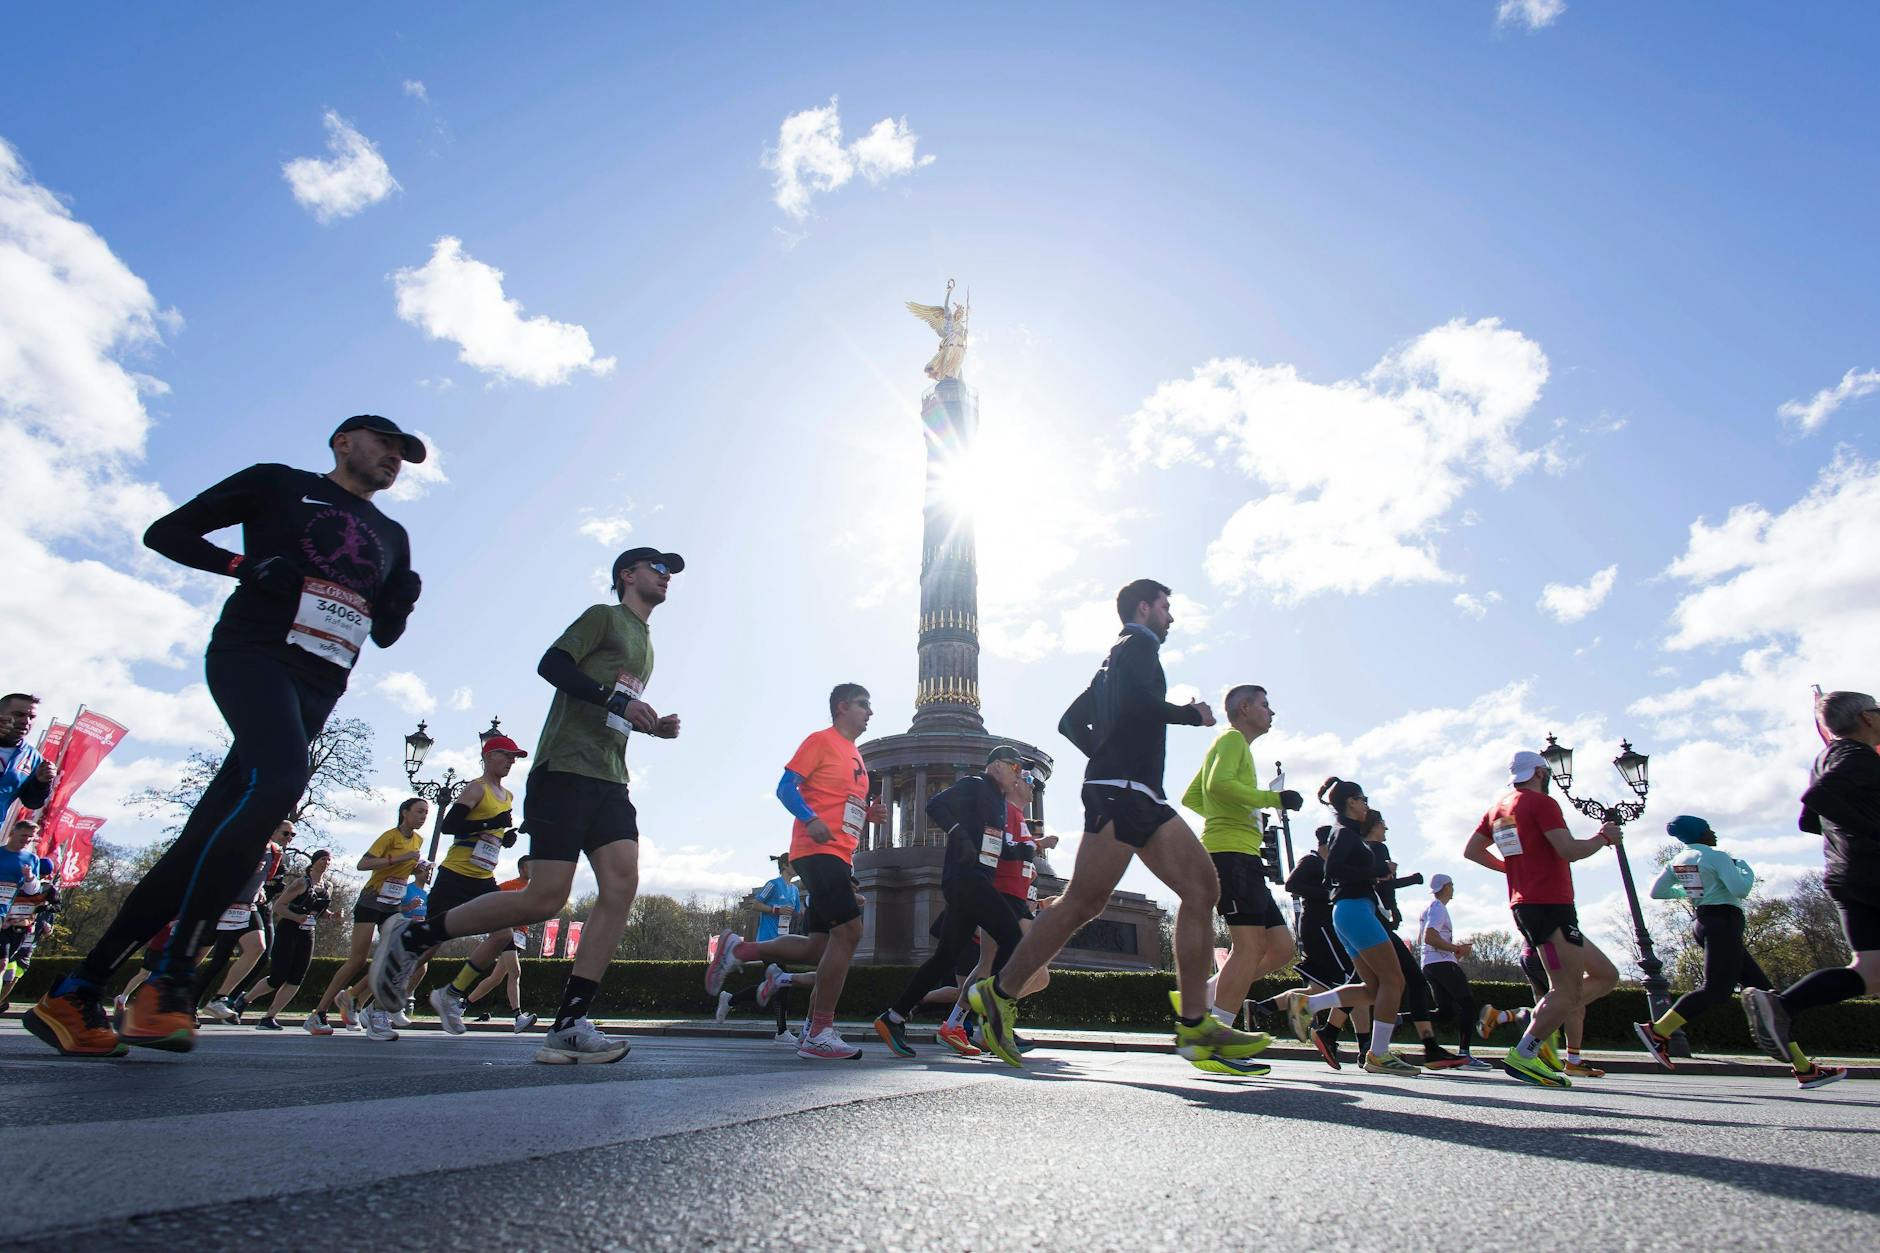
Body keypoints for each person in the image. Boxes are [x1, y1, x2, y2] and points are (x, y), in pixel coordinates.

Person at [27, 416, 423, 1059]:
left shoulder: (392, 535)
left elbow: (382, 635)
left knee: (202, 841)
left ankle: (76, 990)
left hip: (321, 685)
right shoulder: (279, 484)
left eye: (404, 456)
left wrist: (399, 603)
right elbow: (167, 533)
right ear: (343, 442)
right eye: (385, 445)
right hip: (255, 655)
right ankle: (173, 979)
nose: (394, 460)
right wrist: (241, 564)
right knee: (282, 784)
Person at [372, 547, 684, 1065]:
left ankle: (568, 1024)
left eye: (671, 571)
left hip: (610, 777)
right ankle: (415, 935)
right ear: (627, 575)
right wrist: (616, 701)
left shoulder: (647, 643)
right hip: (563, 771)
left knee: (622, 885)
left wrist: (649, 725)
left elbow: (612, 708)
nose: (667, 576)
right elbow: (551, 665)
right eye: (658, 567)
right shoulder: (603, 617)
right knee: (545, 898)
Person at [967, 578, 1271, 1071]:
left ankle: (1196, 1025)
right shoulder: (1139, 646)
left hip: (1134, 791)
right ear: (1144, 607)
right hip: (1124, 792)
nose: (1171, 618)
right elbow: (1136, 708)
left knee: (1191, 891)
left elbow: (1071, 721)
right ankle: (999, 993)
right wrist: (1190, 715)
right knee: (1090, 901)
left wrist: (1106, 758)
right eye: (1166, 608)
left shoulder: (1115, 658)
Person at [705, 683, 885, 1060]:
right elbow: (786, 788)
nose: (870, 712)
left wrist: (867, 816)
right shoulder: (821, 740)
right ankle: (820, 1030)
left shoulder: (856, 756)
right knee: (850, 932)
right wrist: (810, 818)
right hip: (818, 850)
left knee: (822, 945)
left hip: (839, 854)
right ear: (841, 707)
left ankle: (741, 949)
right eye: (862, 705)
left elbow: (843, 806)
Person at [1742, 689, 1880, 1090]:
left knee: (1871, 971)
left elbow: (1808, 819)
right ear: (1867, 718)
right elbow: (1819, 798)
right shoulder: (1857, 757)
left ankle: (1782, 1005)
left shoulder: (1825, 760)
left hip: (1845, 874)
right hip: (1872, 871)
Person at [1463, 749, 1623, 1089]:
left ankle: (1539, 1021)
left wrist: (1512, 868)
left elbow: (1473, 851)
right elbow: (1569, 850)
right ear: (1539, 772)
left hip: (1535, 905)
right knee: (1565, 990)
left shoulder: (1498, 808)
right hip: (1547, 905)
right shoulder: (1542, 803)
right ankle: (1525, 1053)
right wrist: (1604, 837)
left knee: (1606, 975)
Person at [872, 747, 1035, 1058]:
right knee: (1013, 939)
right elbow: (936, 805)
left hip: (977, 880)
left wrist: (1021, 853)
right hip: (966, 877)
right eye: (1014, 767)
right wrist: (959, 835)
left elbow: (992, 844)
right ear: (996, 766)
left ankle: (893, 1018)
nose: (1017, 774)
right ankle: (990, 1015)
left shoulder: (1000, 805)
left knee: (945, 958)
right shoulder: (975, 785)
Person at [1179, 684, 1303, 1046]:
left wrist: (1238, 814)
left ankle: (1204, 997)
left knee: (1281, 949)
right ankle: (1214, 1034)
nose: (1271, 712)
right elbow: (1217, 787)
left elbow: (1193, 797)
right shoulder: (1232, 740)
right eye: (1266, 705)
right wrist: (1271, 798)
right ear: (1246, 708)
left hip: (1243, 855)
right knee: (1248, 947)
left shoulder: (1232, 745)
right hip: (1230, 856)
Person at [1630, 816, 1767, 1068]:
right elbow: (1740, 889)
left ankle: (1799, 1062)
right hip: (1724, 920)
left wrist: (1689, 891)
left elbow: (1657, 892)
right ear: (1700, 834)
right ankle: (1658, 1030)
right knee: (1716, 990)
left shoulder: (1677, 861)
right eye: (1708, 829)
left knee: (1763, 990)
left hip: (1703, 919)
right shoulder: (1717, 857)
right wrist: (1746, 869)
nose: (1713, 833)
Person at [419, 735, 530, 1032]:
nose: (511, 762)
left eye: (514, 758)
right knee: (429, 943)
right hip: (456, 874)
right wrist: (489, 824)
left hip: (483, 877)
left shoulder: (507, 796)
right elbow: (450, 826)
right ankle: (376, 1005)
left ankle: (452, 994)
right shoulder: (475, 787)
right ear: (489, 756)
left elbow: (491, 834)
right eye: (506, 755)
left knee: (501, 934)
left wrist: (503, 839)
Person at [305, 798, 428, 1039]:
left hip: (393, 904)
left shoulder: (418, 840)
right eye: (419, 812)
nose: (423, 817)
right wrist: (399, 859)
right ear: (405, 813)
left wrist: (417, 868)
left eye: (426, 813)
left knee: (396, 956)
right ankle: (318, 1013)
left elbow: (403, 870)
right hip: (371, 900)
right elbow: (364, 864)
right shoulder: (389, 836)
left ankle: (358, 1002)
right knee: (357, 961)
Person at [1280, 826, 1355, 1068]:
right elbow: (1291, 884)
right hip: (1318, 926)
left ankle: (1263, 1008)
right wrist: (1328, 894)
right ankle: (1325, 1028)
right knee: (1352, 980)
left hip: (1329, 928)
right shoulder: (1311, 860)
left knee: (1332, 983)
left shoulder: (1329, 867)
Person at [246, 850, 334, 1030]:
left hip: (308, 932)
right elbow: (279, 907)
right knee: (278, 976)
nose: (326, 862)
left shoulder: (328, 886)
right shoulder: (302, 882)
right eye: (323, 859)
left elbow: (318, 910)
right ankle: (244, 1000)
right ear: (314, 861)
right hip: (289, 930)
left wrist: (331, 915)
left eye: (329, 860)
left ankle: (269, 1017)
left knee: (296, 978)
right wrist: (296, 917)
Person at [1418, 874, 1491, 1069]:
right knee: (1468, 1004)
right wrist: (1457, 949)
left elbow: (1423, 940)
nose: (1454, 888)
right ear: (1446, 887)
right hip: (1441, 963)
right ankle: (1464, 1056)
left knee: (1446, 1012)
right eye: (1452, 885)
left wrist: (1454, 951)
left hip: (1429, 964)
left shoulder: (1430, 908)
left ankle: (1400, 1019)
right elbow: (1429, 937)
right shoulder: (1438, 908)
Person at [464, 857, 539, 1033]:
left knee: (496, 978)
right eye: (531, 866)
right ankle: (518, 1017)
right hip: (506, 932)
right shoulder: (508, 886)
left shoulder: (534, 890)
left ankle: (461, 1005)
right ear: (521, 868)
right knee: (516, 972)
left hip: (520, 936)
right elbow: (489, 902)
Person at [1, 819, 55, 1009]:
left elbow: (33, 891)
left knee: (3, 963)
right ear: (12, 833)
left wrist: (29, 877)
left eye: (30, 837)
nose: (26, 840)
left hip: (11, 915)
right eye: (23, 835)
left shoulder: (31, 859)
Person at [0, 694, 56, 822]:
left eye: (32, 717)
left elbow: (32, 802)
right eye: (19, 714)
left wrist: (41, 783)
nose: (26, 721)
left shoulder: (33, 758)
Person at [751, 856, 800, 943]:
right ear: (785, 865)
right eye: (794, 863)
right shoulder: (772, 884)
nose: (797, 866)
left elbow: (797, 913)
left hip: (783, 941)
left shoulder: (795, 890)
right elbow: (756, 905)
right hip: (766, 940)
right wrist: (777, 910)